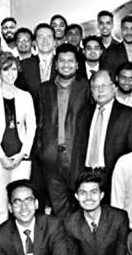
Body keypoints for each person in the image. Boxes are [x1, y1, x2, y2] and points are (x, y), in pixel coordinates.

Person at [34, 43, 92, 215]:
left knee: (81, 205)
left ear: (77, 65)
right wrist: (41, 149)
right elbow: (39, 121)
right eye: (62, 60)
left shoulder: (87, 87)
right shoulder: (44, 89)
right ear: (56, 64)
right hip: (50, 157)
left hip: (77, 156)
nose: (66, 65)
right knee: (58, 207)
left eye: (70, 61)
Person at [0, 54, 36, 224]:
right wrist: (1, 157)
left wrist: (22, 154)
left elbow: (32, 128)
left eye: (14, 69)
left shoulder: (26, 96)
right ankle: (1, 240)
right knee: (1, 208)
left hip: (21, 159)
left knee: (22, 206)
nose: (11, 74)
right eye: (6, 70)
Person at [81, 69, 132, 192]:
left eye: (104, 86)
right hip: (86, 177)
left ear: (114, 88)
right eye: (95, 87)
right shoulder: (83, 113)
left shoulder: (129, 115)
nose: (100, 90)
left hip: (114, 179)